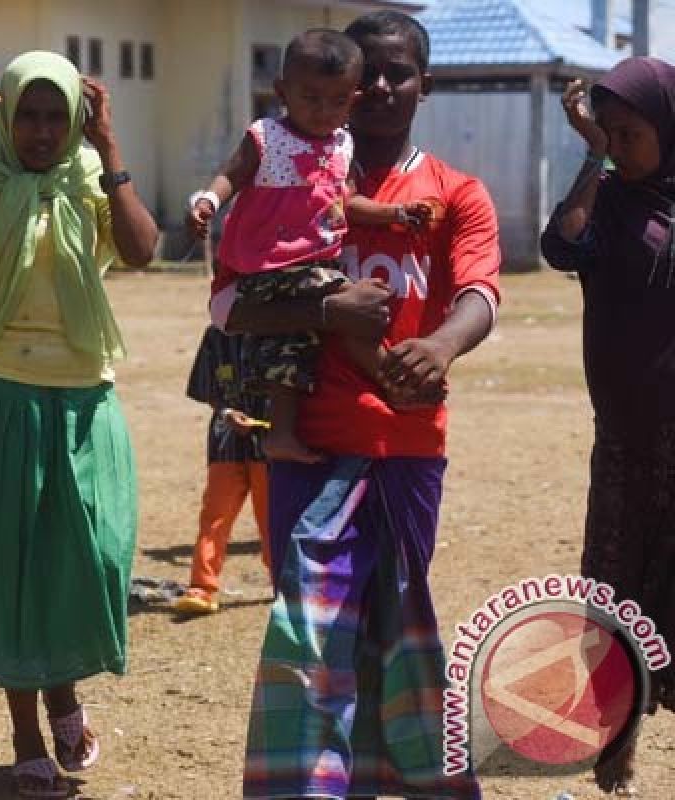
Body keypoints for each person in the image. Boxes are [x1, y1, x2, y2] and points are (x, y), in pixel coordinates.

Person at [230, 12, 501, 799]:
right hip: (309, 448)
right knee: (310, 639)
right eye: (367, 75)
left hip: (411, 449)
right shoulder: (288, 186)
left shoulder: (457, 192)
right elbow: (233, 304)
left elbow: (481, 291)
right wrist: (325, 313)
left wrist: (442, 346)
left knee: (397, 641)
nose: (381, 88)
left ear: (426, 85)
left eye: (398, 74)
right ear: (339, 87)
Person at [0, 51, 158, 798]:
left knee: (94, 558)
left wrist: (111, 149)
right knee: (13, 565)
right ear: (6, 116)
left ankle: (64, 693)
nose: (44, 132)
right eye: (30, 115)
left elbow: (145, 250)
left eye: (59, 117)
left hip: (84, 396)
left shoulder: (90, 181)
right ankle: (25, 734)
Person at [188, 28, 435, 465]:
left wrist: (395, 214)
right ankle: (387, 374)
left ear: (352, 100)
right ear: (282, 92)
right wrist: (209, 201)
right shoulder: (266, 136)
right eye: (311, 98)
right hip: (265, 264)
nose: (324, 112)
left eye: (337, 101)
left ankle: (281, 434)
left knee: (290, 350)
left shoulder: (342, 145)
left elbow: (349, 202)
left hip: (311, 262)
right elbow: (232, 174)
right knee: (358, 302)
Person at [540, 56, 675, 797]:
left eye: (631, 133)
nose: (620, 145)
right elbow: (561, 246)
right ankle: (618, 738)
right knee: (620, 591)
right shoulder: (611, 202)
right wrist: (591, 153)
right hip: (625, 437)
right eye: (610, 132)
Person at [172, 326, 272, 615]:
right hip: (225, 443)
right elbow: (206, 387)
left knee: (272, 519)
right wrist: (227, 412)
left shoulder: (281, 330)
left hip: (269, 445)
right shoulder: (217, 335)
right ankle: (202, 588)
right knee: (215, 516)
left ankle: (285, 585)